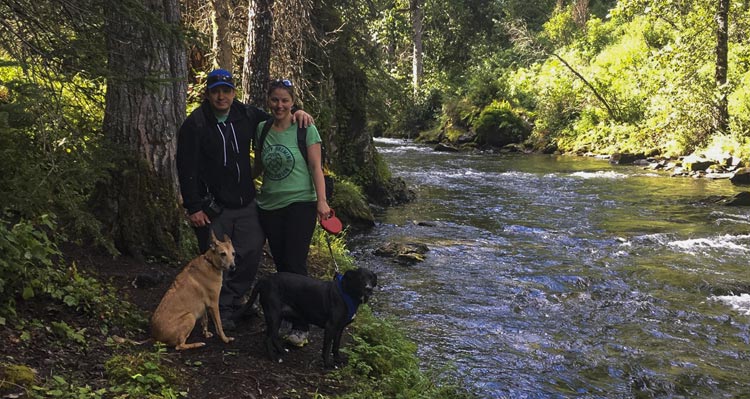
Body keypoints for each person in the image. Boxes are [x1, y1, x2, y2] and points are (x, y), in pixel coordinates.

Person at [176, 69, 313, 329]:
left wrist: (299, 113)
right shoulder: (195, 124)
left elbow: (279, 118)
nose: (221, 96)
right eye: (215, 91)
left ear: (233, 93)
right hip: (212, 205)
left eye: (226, 91)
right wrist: (193, 206)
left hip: (246, 200)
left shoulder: (247, 115)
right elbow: (185, 167)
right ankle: (216, 310)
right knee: (214, 259)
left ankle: (234, 300)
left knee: (249, 253)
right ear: (208, 94)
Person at [253, 78, 331, 346]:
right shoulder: (262, 129)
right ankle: (283, 314)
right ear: (268, 101)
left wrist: (322, 202)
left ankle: (301, 326)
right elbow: (260, 166)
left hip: (301, 203)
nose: (279, 105)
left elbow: (315, 167)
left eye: (285, 100)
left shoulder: (305, 128)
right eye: (275, 99)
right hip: (270, 205)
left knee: (296, 265)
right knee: (282, 264)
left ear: (293, 102)